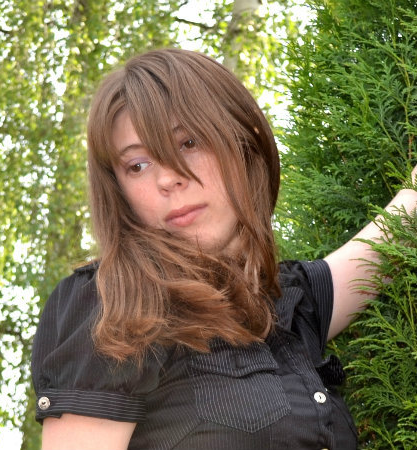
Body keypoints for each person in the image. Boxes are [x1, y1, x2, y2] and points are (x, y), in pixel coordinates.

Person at [31, 48, 417, 450]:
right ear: (119, 191)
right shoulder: (112, 303)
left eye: (188, 142)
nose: (167, 178)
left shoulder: (288, 303)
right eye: (137, 165)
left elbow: (396, 234)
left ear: (244, 143)